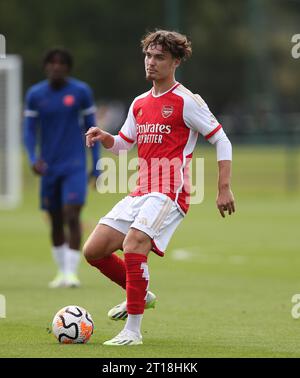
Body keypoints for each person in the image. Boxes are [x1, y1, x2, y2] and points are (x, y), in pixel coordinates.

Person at [84, 30, 235, 346]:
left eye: (159, 57)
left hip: (170, 191)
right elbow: (124, 144)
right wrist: (104, 136)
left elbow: (221, 138)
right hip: (141, 190)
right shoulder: (139, 103)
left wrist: (224, 188)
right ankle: (140, 291)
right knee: (94, 251)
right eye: (148, 56)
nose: (151, 63)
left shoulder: (186, 101)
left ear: (176, 62)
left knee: (134, 244)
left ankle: (133, 332)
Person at [24, 48, 100, 288]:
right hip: (49, 167)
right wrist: (33, 157)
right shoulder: (35, 95)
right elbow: (28, 130)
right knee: (56, 219)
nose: (56, 67)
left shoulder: (80, 92)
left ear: (68, 68)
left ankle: (71, 273)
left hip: (74, 165)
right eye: (52, 63)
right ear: (46, 66)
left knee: (72, 213)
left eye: (61, 63)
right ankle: (61, 272)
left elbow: (92, 128)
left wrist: (95, 165)